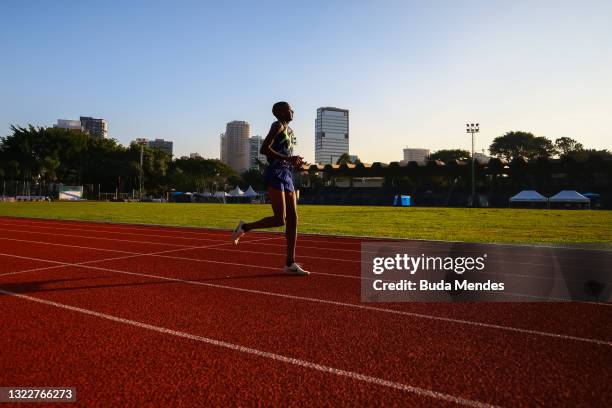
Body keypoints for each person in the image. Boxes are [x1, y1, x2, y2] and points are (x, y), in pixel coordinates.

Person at [231, 101, 309, 275]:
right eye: (290, 109)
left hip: (287, 174)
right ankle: (244, 227)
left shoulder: (290, 131)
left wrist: (295, 162)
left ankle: (290, 263)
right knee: (279, 219)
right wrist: (288, 159)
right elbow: (264, 149)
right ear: (280, 112)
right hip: (275, 172)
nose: (293, 111)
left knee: (293, 218)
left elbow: (286, 153)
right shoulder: (278, 125)